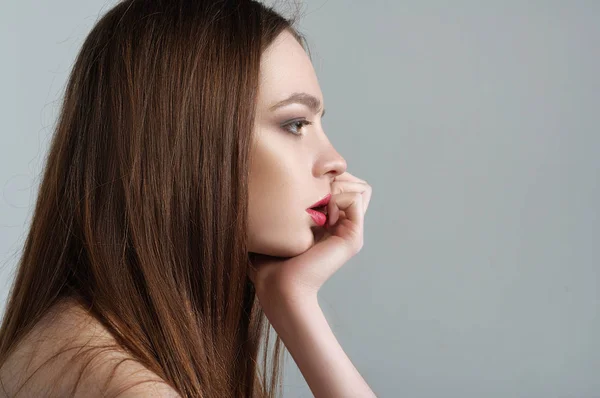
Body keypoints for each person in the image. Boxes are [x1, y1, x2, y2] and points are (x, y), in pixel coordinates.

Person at [0, 0, 374, 397]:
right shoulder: (125, 385)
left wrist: (293, 301)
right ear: (184, 144)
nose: (335, 161)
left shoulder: (89, 341)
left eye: (318, 123)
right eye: (295, 124)